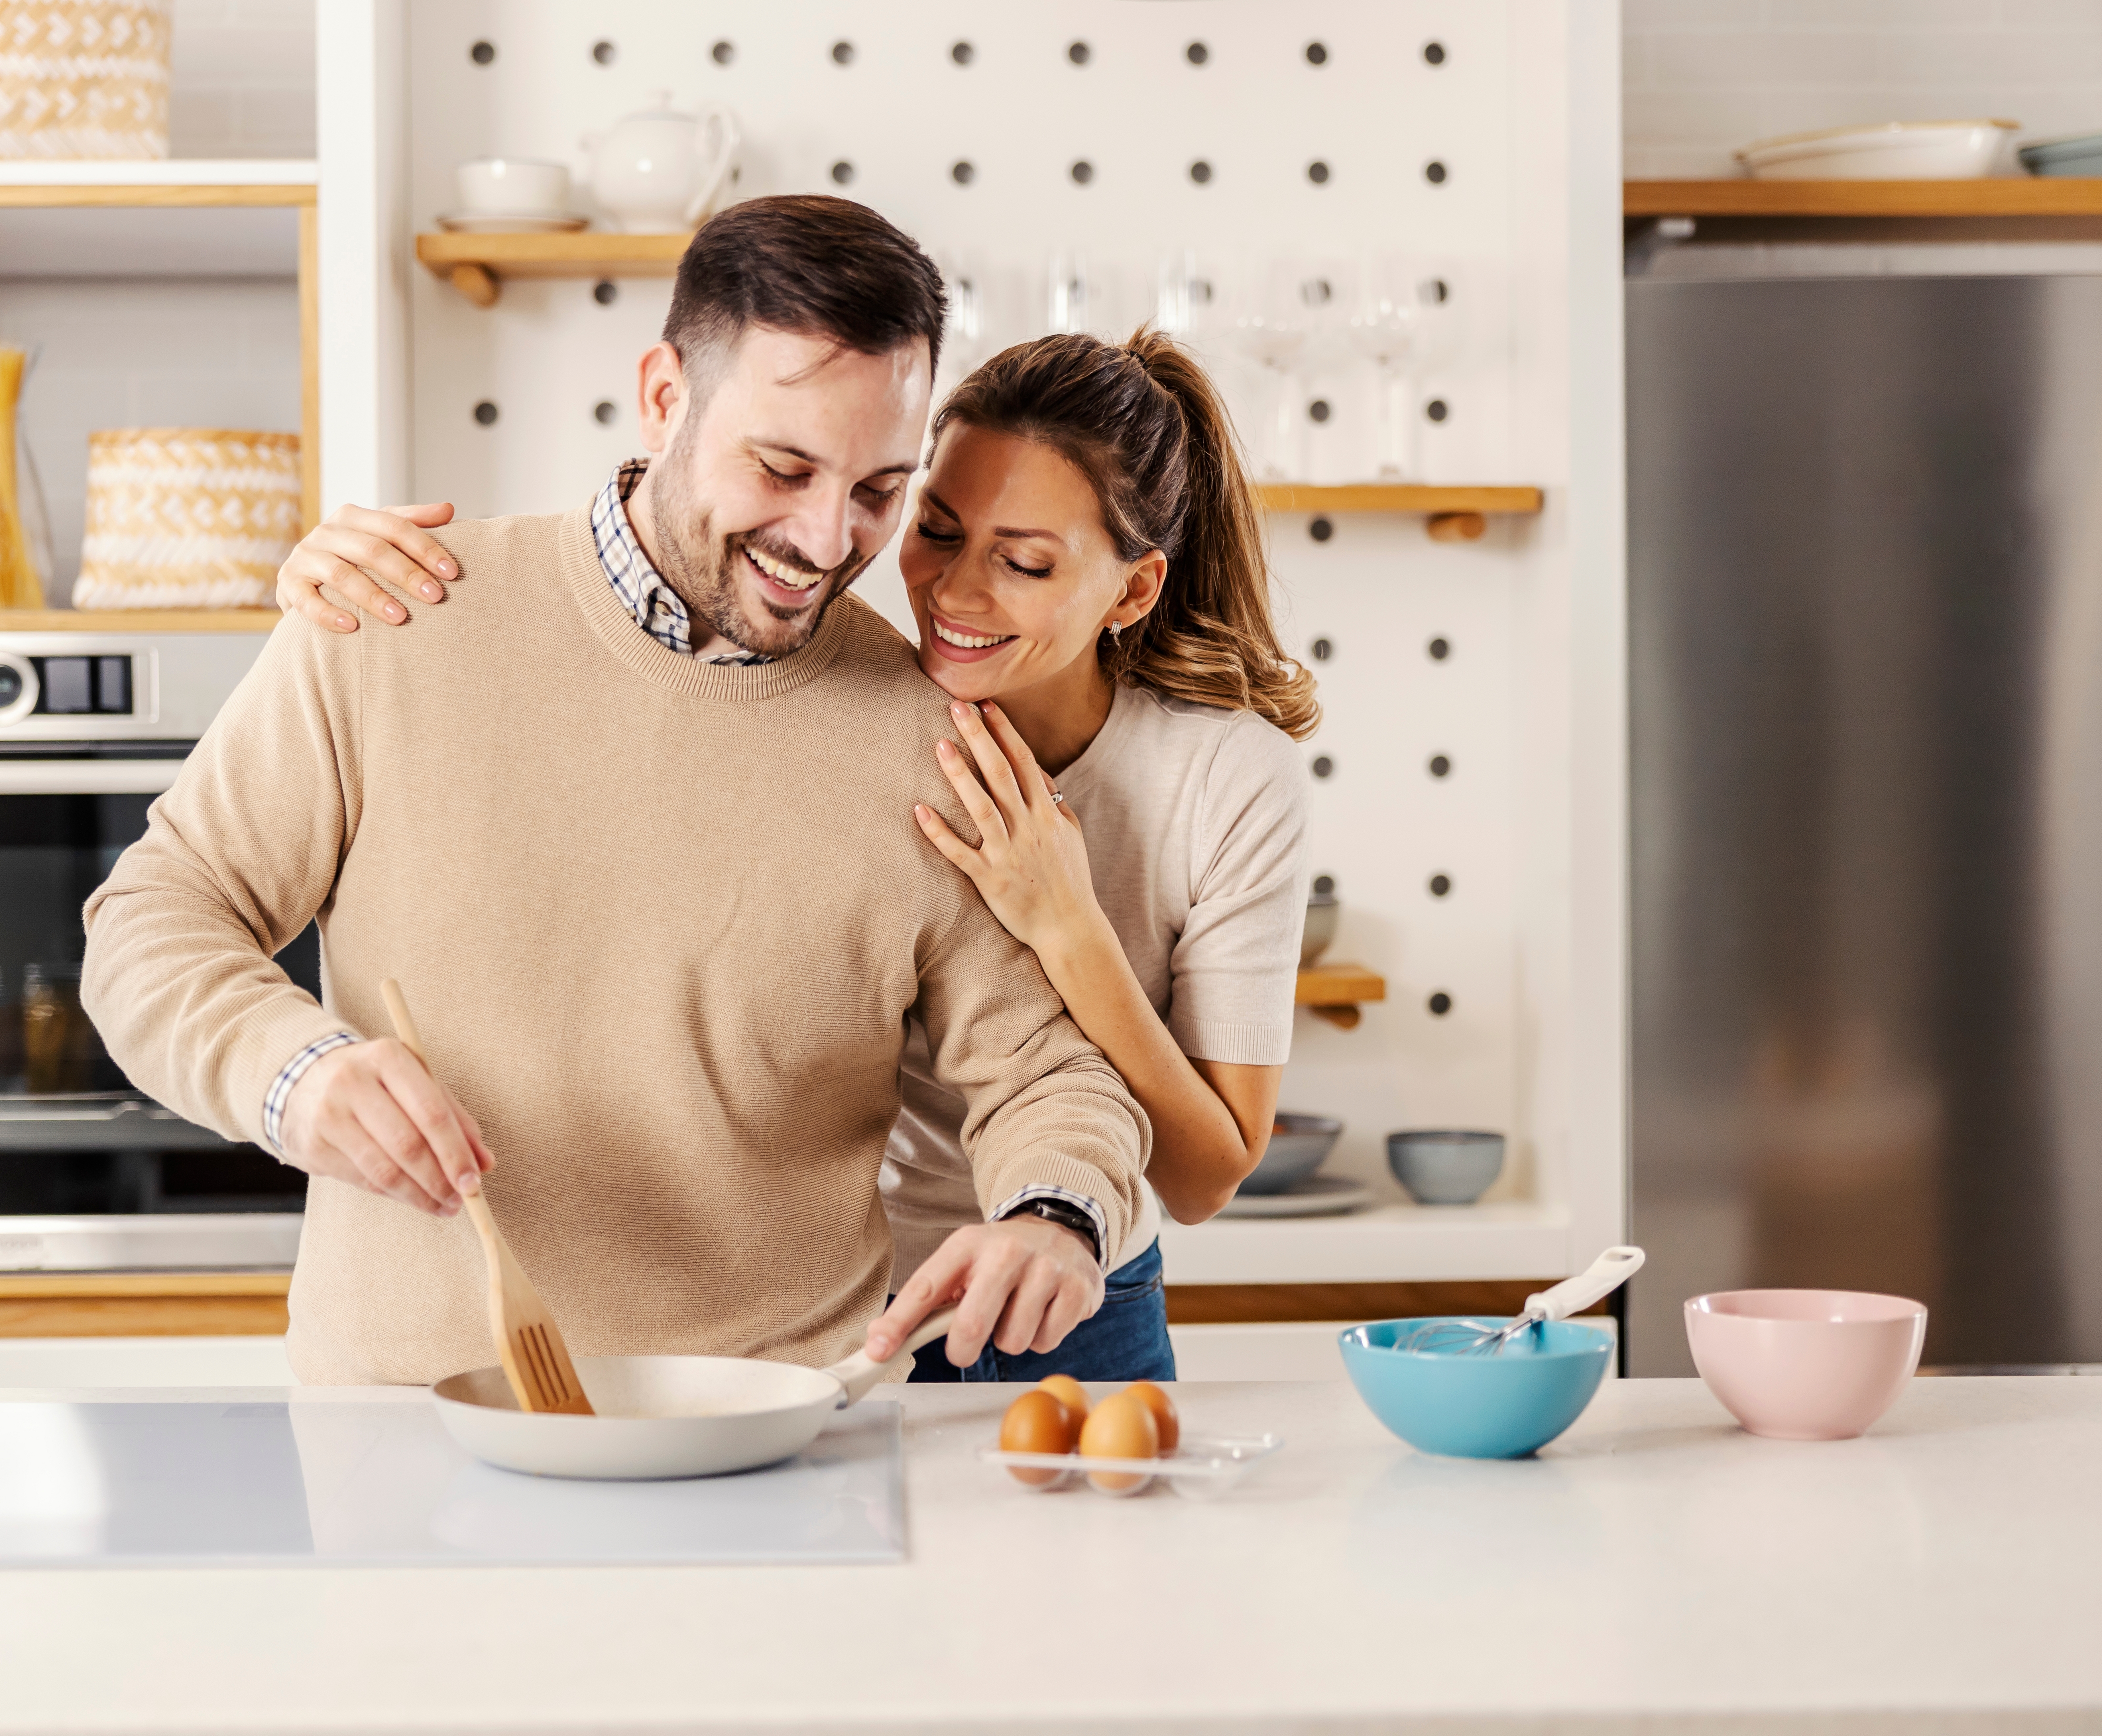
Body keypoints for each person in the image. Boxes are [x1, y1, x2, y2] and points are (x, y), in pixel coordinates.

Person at [82, 195, 1149, 1387]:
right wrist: (292, 1076)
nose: (824, 537)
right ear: (662, 395)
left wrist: (1056, 1215)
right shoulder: (393, 620)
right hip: (408, 1422)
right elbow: (152, 927)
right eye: (783, 467)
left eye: (877, 490)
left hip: (778, 1434)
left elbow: (1049, 1073)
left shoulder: (929, 739)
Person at [274, 325, 1317, 1384]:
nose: (954, 595)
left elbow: (1198, 1172)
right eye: (937, 530)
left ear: (1134, 592)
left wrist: (1065, 923)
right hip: (875, 1306)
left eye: (1025, 562)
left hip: (1073, 1277)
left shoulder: (1224, 782)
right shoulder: (879, 709)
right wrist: (324, 582)